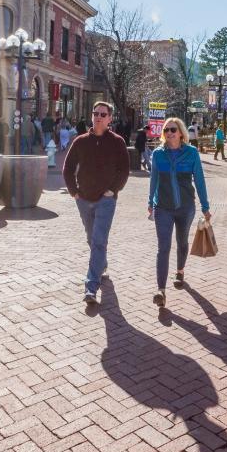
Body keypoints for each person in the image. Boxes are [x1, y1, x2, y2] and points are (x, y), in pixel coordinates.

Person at [63, 101, 131, 305]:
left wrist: (114, 190)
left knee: (99, 240)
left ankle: (91, 287)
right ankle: (101, 265)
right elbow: (68, 168)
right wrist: (74, 191)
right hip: (83, 199)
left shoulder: (117, 141)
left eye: (103, 114)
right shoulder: (81, 141)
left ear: (110, 118)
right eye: (96, 113)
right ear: (92, 116)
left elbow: (124, 169)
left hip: (105, 200)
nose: (99, 117)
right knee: (91, 238)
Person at [148, 118, 211, 307]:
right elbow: (154, 180)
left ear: (181, 132)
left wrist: (205, 207)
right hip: (163, 208)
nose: (169, 133)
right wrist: (150, 202)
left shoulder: (191, 153)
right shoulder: (158, 154)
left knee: (182, 241)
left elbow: (199, 180)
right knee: (163, 247)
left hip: (185, 207)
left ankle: (180, 270)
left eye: (173, 130)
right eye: (166, 130)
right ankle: (161, 290)